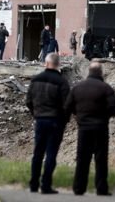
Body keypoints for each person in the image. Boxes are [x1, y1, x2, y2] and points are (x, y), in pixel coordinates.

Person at [64, 62, 115, 196]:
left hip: (84, 128)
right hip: (100, 128)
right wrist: (105, 117)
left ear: (89, 71)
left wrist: (78, 115)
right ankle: (101, 188)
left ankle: (79, 188)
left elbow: (68, 106)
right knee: (101, 159)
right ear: (101, 73)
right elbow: (114, 106)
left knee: (82, 158)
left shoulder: (78, 88)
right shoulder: (106, 88)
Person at [26, 53, 70, 194]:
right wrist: (64, 120)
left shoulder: (36, 80)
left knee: (38, 152)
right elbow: (67, 105)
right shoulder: (62, 82)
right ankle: (46, 185)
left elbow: (28, 101)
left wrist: (36, 114)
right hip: (56, 121)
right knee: (51, 153)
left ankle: (33, 184)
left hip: (40, 120)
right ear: (58, 64)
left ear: (46, 63)